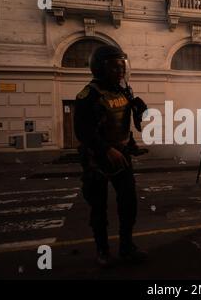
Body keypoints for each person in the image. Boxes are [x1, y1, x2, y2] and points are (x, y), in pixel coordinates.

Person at [74, 45, 148, 267]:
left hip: (122, 154)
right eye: (115, 67)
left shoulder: (123, 91)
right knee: (99, 207)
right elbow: (83, 131)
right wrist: (106, 149)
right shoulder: (89, 95)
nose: (120, 71)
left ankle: (127, 247)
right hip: (97, 158)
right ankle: (103, 251)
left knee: (129, 202)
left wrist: (132, 143)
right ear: (100, 68)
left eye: (122, 66)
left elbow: (123, 125)